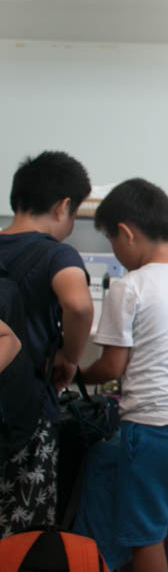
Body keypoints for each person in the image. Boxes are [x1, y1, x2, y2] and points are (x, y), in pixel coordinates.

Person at [82, 178, 168, 572]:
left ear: (125, 233)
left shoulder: (129, 287)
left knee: (145, 534)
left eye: (112, 241)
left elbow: (112, 366)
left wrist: (78, 375)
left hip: (148, 429)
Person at [0, 151, 93, 537]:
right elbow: (78, 303)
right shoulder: (56, 253)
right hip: (29, 412)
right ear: (63, 206)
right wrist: (69, 356)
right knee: (24, 532)